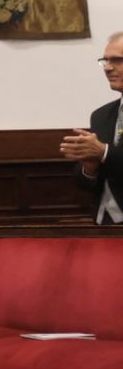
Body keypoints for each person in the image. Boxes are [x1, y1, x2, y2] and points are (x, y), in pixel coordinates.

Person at [60, 32, 123, 225]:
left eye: (118, 60)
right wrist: (89, 168)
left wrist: (103, 152)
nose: (108, 67)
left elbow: (107, 155)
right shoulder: (101, 116)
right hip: (103, 224)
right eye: (105, 60)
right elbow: (88, 184)